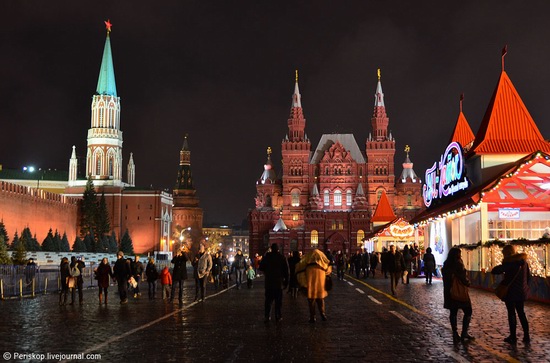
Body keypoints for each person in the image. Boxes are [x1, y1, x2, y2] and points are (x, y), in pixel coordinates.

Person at [491, 245, 531, 344]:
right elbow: (528, 277)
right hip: (521, 292)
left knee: (511, 313)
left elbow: (495, 270)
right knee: (521, 313)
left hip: (511, 292)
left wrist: (502, 265)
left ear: (506, 253)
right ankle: (526, 335)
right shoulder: (524, 262)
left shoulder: (510, 263)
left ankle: (513, 336)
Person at [442, 247, 474, 343]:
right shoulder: (458, 264)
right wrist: (468, 283)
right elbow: (462, 277)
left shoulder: (446, 264)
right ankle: (464, 332)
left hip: (450, 292)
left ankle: (455, 333)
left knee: (453, 312)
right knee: (468, 311)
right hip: (459, 291)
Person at [295, 249, 332, 323]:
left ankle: (313, 317)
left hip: (310, 286)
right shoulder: (323, 266)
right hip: (320, 287)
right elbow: (328, 270)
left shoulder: (307, 266)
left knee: (311, 301)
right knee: (321, 300)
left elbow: (299, 268)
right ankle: (323, 314)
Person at [259, 243, 289, 322]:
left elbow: (261, 267)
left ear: (271, 249)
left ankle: (267, 316)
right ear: (278, 249)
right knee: (278, 301)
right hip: (278, 283)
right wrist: (286, 282)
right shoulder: (282, 257)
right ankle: (278, 316)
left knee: (268, 301)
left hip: (269, 282)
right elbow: (286, 271)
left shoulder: (267, 257)